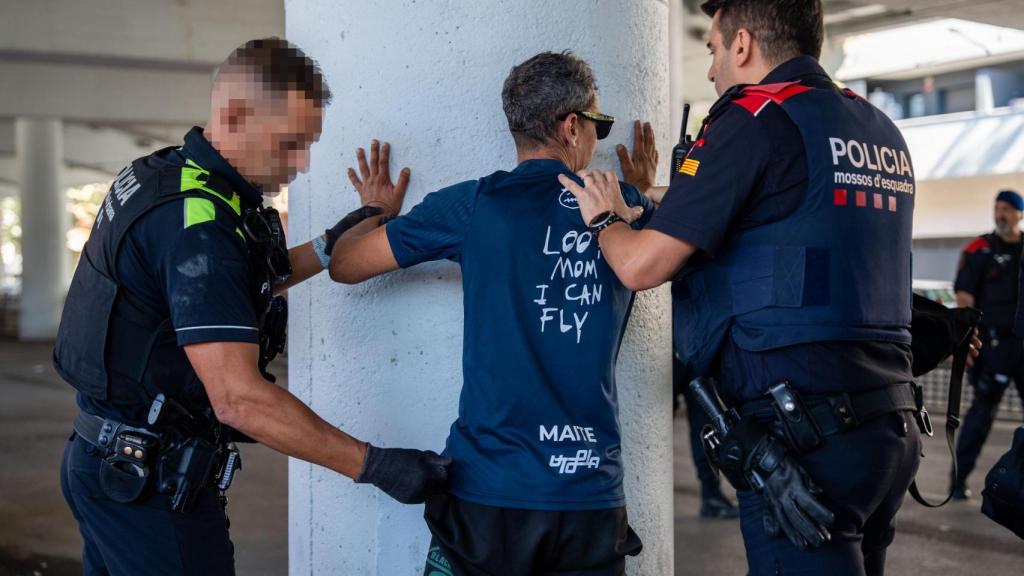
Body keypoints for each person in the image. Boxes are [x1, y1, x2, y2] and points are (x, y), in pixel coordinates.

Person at [54, 38, 449, 576]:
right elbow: (239, 400)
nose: (301, 164)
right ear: (235, 113)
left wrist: (339, 237)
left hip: (108, 463)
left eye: (306, 144)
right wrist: (376, 466)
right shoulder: (198, 226)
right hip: (147, 488)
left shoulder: (170, 177)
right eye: (289, 144)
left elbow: (231, 286)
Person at [560, 1, 923, 574]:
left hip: (804, 441)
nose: (710, 71)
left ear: (743, 45)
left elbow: (640, 267)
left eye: (711, 50)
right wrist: (662, 195)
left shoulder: (755, 117)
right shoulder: (875, 127)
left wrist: (607, 217)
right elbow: (794, 222)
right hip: (888, 427)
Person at [327, 51, 652, 575]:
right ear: (572, 128)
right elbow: (687, 216)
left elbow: (343, 263)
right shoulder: (625, 211)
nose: (598, 140)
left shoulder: (472, 205)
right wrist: (641, 188)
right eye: (598, 125)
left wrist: (377, 212)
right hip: (587, 494)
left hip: (487, 492)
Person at [951, 189, 1024, 499]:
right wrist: (967, 341)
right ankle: (957, 482)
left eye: (1007, 209)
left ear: (1020, 214)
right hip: (992, 346)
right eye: (996, 208)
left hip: (1022, 346)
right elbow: (965, 297)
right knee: (981, 414)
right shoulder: (980, 248)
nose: (1000, 214)